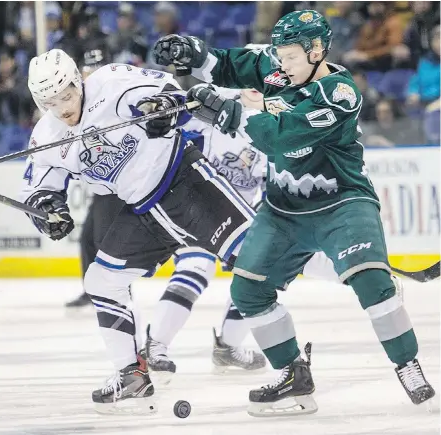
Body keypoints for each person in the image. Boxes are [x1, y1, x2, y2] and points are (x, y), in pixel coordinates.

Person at [152, 9, 435, 416]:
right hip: (284, 208)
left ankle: (407, 364)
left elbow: (284, 140)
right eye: (279, 56)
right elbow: (230, 65)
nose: (281, 64)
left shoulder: (339, 94)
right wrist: (193, 53)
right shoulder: (281, 67)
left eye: (289, 56)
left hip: (342, 202)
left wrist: (231, 114)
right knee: (247, 291)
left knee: (372, 283)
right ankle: (291, 374)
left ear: (317, 50)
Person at [20, 48, 257, 414]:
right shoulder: (47, 135)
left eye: (66, 95)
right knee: (100, 281)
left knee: (258, 259)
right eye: (51, 102)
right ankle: (131, 373)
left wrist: (162, 108)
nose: (63, 107)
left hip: (185, 181)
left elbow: (165, 90)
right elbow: (39, 189)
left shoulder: (111, 81)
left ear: (77, 81)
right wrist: (48, 210)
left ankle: (292, 367)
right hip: (145, 210)